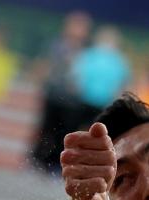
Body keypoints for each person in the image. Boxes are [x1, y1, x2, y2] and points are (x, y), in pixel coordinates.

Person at [30, 11, 91, 173]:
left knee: (66, 131)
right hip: (54, 92)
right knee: (46, 127)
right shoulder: (56, 45)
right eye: (75, 26)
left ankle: (57, 163)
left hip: (73, 98)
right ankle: (38, 160)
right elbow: (44, 64)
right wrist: (40, 80)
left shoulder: (87, 51)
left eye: (81, 27)